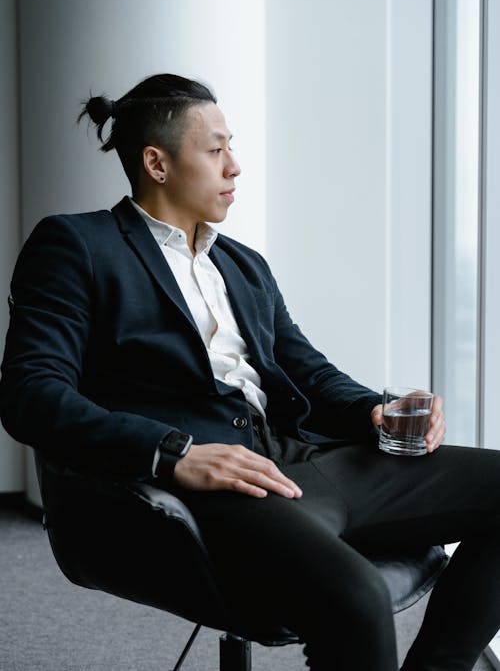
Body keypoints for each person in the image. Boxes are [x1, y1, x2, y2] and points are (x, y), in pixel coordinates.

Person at [1, 73, 499, 671]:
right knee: (357, 598)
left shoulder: (243, 264)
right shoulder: (78, 245)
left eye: (230, 147)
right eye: (215, 150)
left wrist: (375, 409)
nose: (234, 166)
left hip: (304, 460)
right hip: (216, 482)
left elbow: (307, 370)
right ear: (157, 164)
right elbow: (32, 392)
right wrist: (175, 453)